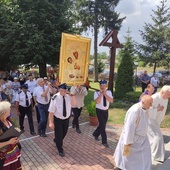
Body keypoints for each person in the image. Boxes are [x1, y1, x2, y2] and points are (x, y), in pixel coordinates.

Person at [113, 95, 153, 170]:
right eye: (150, 103)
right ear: (143, 102)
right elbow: (129, 127)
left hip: (142, 138)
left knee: (146, 153)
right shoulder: (135, 110)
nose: (151, 105)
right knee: (127, 158)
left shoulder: (146, 108)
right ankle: (122, 167)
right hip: (132, 138)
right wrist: (128, 142)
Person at [48, 83, 76, 157]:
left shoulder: (68, 97)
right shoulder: (55, 97)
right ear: (59, 90)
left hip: (66, 119)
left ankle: (57, 140)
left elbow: (74, 104)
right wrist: (50, 122)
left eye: (65, 90)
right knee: (59, 135)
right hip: (58, 120)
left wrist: (72, 96)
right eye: (63, 90)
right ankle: (60, 149)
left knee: (65, 133)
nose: (64, 92)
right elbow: (51, 112)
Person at [147, 85, 170, 162]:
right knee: (158, 137)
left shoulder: (165, 99)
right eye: (168, 94)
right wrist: (157, 109)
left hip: (156, 121)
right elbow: (147, 109)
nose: (169, 96)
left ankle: (153, 153)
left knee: (153, 138)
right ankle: (157, 156)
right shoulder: (154, 97)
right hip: (150, 120)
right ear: (162, 92)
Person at [0, 101, 22, 169]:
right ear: (4, 112)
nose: (10, 111)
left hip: (13, 152)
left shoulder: (8, 119)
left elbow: (14, 130)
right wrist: (9, 142)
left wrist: (16, 138)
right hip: (4, 157)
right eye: (9, 110)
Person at [92, 80, 113, 148]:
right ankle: (104, 141)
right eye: (101, 85)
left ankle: (95, 134)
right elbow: (97, 102)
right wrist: (101, 94)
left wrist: (105, 94)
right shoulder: (96, 93)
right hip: (99, 110)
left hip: (105, 111)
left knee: (102, 124)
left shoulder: (109, 92)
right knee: (103, 126)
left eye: (104, 85)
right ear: (100, 86)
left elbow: (111, 100)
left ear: (106, 86)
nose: (103, 87)